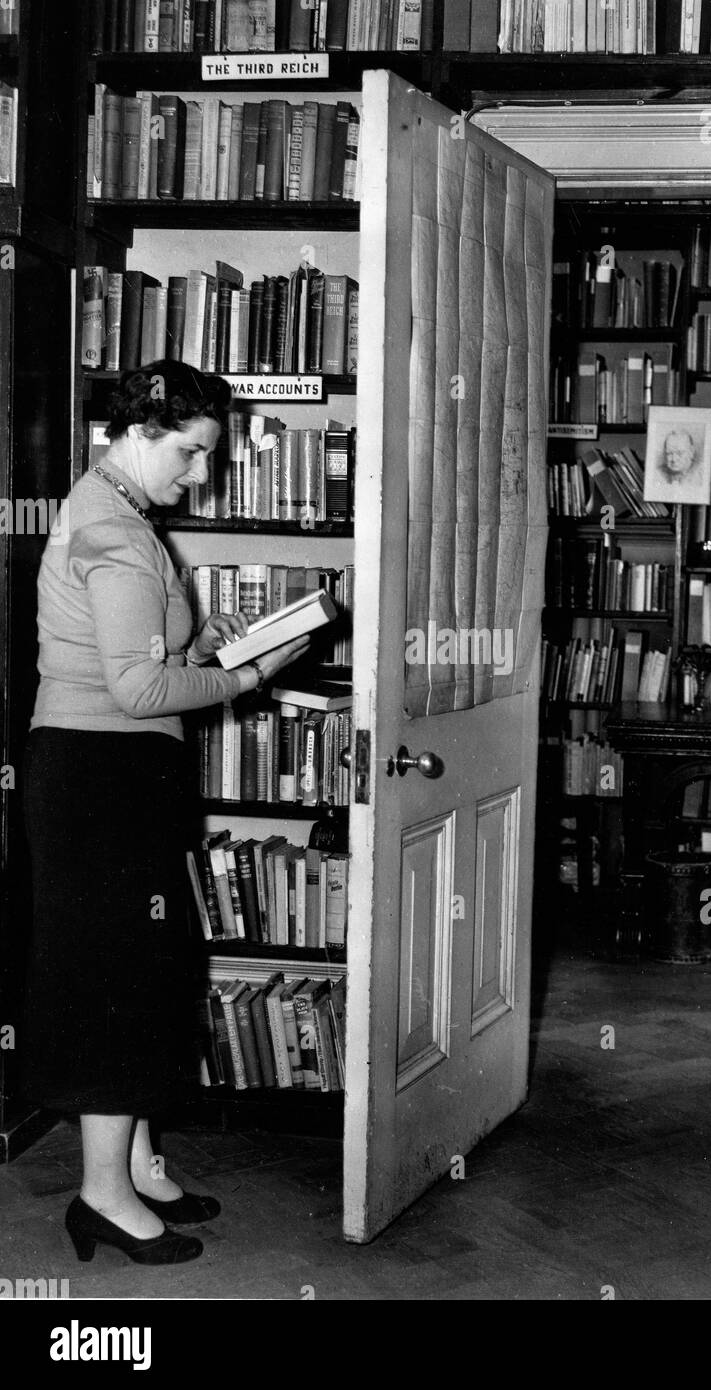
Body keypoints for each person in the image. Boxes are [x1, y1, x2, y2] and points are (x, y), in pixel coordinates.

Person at [21, 362, 313, 1266]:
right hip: (96, 775)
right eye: (191, 453)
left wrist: (204, 639)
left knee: (147, 968)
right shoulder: (111, 527)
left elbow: (147, 650)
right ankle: (101, 1195)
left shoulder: (118, 511)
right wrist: (250, 675)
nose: (201, 476)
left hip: (113, 773)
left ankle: (137, 1165)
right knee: (114, 977)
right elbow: (140, 687)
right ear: (141, 432)